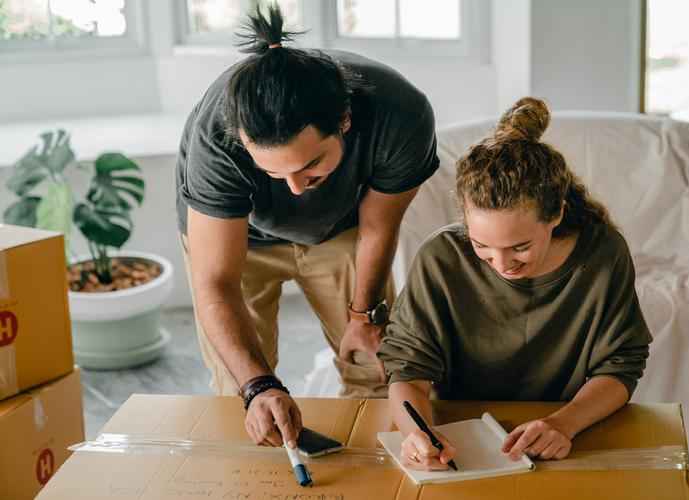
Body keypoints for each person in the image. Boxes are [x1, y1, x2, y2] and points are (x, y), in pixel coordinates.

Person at [176, 4, 439, 449]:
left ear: (345, 121)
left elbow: (378, 229)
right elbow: (216, 281)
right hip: (238, 239)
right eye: (275, 174)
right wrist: (259, 386)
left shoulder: (401, 115)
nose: (296, 189)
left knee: (374, 368)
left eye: (311, 165)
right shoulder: (214, 140)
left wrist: (361, 316)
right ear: (241, 141)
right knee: (242, 391)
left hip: (342, 230)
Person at [378, 97, 652, 470]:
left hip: (564, 433)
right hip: (459, 439)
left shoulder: (602, 253)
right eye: (481, 246)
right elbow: (408, 368)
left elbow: (621, 366)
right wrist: (419, 432)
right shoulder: (441, 257)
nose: (502, 264)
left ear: (555, 213)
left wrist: (564, 423)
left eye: (520, 247)